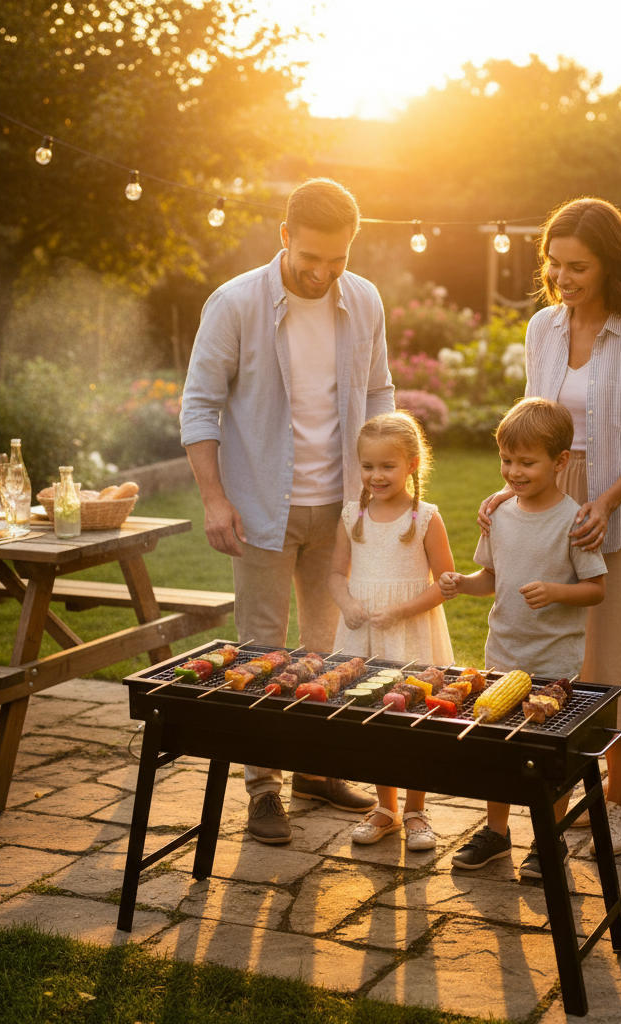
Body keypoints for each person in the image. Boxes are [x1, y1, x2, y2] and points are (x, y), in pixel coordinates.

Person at [180, 177, 393, 844]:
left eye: (339, 260)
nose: (325, 273)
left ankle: (315, 769)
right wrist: (215, 498)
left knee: (329, 650)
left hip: (339, 510)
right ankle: (263, 789)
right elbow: (199, 405)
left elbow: (381, 390)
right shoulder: (235, 303)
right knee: (262, 652)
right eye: (312, 259)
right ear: (284, 238)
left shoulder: (362, 301)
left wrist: (387, 480)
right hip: (260, 510)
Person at [479, 197, 621, 857]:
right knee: (559, 657)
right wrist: (516, 488)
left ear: (612, 264)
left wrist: (608, 501)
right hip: (553, 512)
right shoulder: (543, 328)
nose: (563, 278)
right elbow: (536, 422)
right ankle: (554, 792)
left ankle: (620, 801)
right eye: (555, 264)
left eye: (578, 266)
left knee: (619, 660)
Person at [439, 397, 606, 875]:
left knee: (546, 755)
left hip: (555, 662)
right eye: (506, 460)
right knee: (498, 751)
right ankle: (496, 832)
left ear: (560, 462)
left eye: (526, 462)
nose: (513, 472)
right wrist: (461, 584)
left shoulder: (574, 521)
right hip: (502, 653)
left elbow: (596, 590)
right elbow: (490, 577)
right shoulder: (499, 515)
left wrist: (556, 591)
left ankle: (548, 840)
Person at [328, 411, 455, 851]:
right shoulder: (351, 515)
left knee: (413, 719)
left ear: (412, 465)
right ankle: (387, 808)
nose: (376, 475)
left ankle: (417, 809)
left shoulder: (424, 518)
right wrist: (346, 604)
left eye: (387, 466)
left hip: (411, 633)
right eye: (368, 466)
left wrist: (401, 609)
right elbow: (334, 574)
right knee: (373, 719)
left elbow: (445, 583)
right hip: (364, 635)